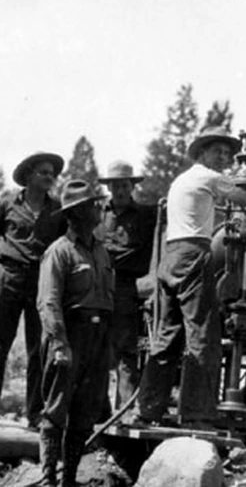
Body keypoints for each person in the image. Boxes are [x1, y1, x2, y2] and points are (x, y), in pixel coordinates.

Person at [134, 126, 246, 429]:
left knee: (166, 337)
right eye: (217, 151)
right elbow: (242, 196)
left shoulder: (182, 180)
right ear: (202, 152)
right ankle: (198, 414)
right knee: (204, 336)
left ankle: (147, 410)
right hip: (194, 254)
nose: (224, 157)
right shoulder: (207, 176)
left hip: (171, 256)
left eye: (228, 153)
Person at [0, 152, 65, 428]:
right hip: (9, 280)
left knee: (38, 349)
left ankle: (35, 413)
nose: (49, 177)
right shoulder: (6, 205)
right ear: (28, 176)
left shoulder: (57, 209)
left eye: (52, 172)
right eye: (43, 172)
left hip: (41, 283)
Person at [37, 179, 114, 487]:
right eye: (94, 204)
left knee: (84, 413)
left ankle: (69, 479)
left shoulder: (101, 252)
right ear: (79, 212)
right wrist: (59, 344)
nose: (100, 208)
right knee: (56, 410)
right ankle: (47, 479)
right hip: (69, 336)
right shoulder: (59, 253)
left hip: (97, 339)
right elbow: (49, 302)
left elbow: (108, 300)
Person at [96, 160, 157, 414]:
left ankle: (124, 415)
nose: (119, 190)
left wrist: (110, 255)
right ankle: (99, 414)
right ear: (109, 187)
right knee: (97, 349)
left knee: (125, 351)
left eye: (124, 185)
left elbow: (138, 253)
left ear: (131, 186)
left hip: (125, 287)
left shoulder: (145, 215)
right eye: (115, 185)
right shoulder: (98, 213)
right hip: (98, 285)